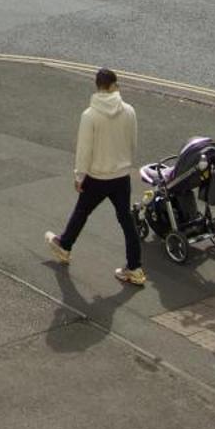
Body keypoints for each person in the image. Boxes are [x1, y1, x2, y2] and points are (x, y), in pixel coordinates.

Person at [45, 67, 145, 286]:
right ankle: (135, 268)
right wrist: (126, 164)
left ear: (97, 86)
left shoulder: (90, 115)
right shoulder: (129, 111)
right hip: (121, 176)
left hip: (97, 176)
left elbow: (84, 150)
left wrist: (79, 176)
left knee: (82, 211)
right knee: (126, 220)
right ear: (114, 85)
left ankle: (65, 246)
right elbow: (133, 142)